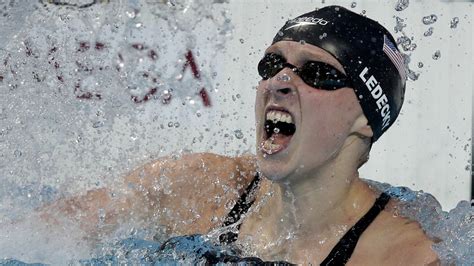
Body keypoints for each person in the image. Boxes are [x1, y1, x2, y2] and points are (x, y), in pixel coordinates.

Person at [39, 5, 439, 265]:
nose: (280, 81)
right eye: (273, 64)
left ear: (367, 119)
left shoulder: (400, 254)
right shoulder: (198, 189)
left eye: (318, 73)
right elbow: (37, 237)